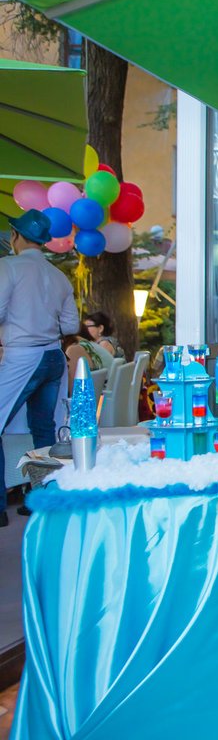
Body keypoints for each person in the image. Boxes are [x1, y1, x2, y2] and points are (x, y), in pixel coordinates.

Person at [0, 210, 79, 526]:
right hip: (52, 355)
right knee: (44, 427)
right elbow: (71, 325)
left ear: (16, 236)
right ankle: (43, 498)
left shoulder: (9, 266)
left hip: (23, 355)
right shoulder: (58, 276)